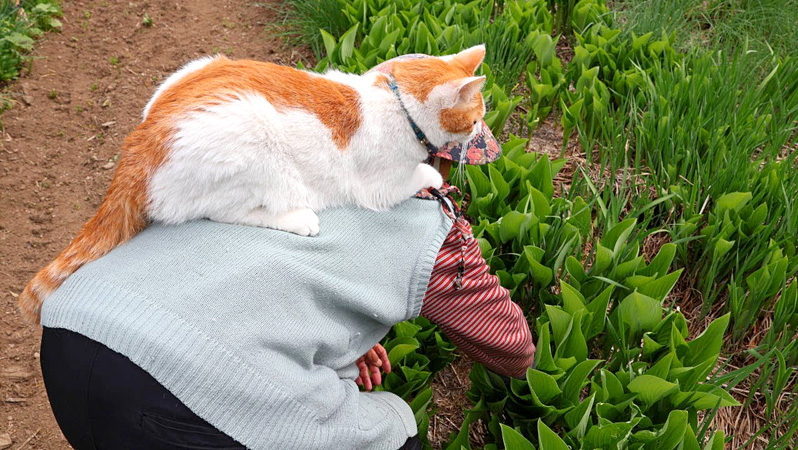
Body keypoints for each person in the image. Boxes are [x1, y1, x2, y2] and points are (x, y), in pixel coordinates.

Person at [37, 57, 535, 450]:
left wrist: (342, 340)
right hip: (173, 396)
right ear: (443, 155)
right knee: (390, 430)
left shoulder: (310, 157)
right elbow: (510, 346)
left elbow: (250, 264)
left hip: (74, 327)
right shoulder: (434, 227)